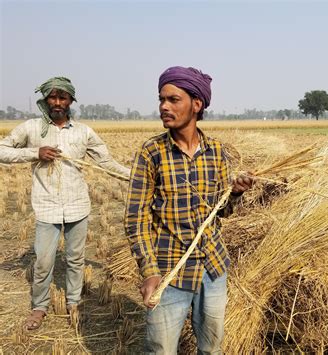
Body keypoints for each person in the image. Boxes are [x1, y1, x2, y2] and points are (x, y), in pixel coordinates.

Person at [125, 66, 253, 354]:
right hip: (170, 271)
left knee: (211, 349)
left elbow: (221, 212)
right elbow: (135, 218)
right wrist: (149, 271)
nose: (163, 107)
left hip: (213, 268)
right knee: (161, 350)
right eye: (161, 100)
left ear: (197, 104)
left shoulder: (216, 152)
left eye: (173, 100)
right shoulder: (151, 153)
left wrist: (234, 194)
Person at [0, 76, 131, 330]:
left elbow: (107, 163)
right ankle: (39, 307)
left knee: (75, 259)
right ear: (46, 100)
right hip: (46, 207)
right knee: (44, 261)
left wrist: (136, 176)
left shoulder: (84, 132)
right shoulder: (31, 128)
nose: (57, 102)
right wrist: (34, 153)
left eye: (63, 97)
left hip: (77, 206)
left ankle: (73, 303)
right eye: (53, 97)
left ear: (71, 101)